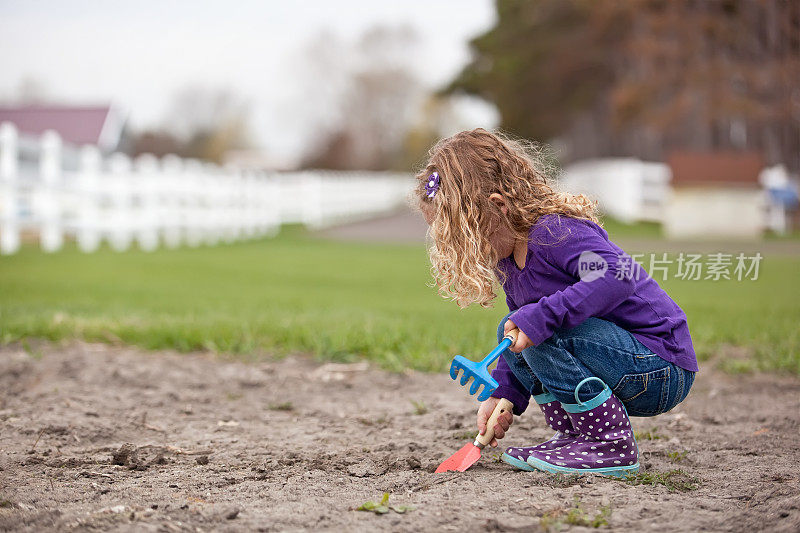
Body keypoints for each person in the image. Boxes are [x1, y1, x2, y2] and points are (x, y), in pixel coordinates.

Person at [416, 129, 697, 477]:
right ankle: (575, 435)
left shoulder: (554, 234)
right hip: (624, 362)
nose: (462, 249)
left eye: (464, 234)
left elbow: (616, 274)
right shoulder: (508, 262)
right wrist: (505, 394)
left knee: (539, 328)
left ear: (499, 206)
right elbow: (522, 332)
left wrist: (541, 318)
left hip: (658, 363)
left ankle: (609, 444)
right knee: (521, 327)